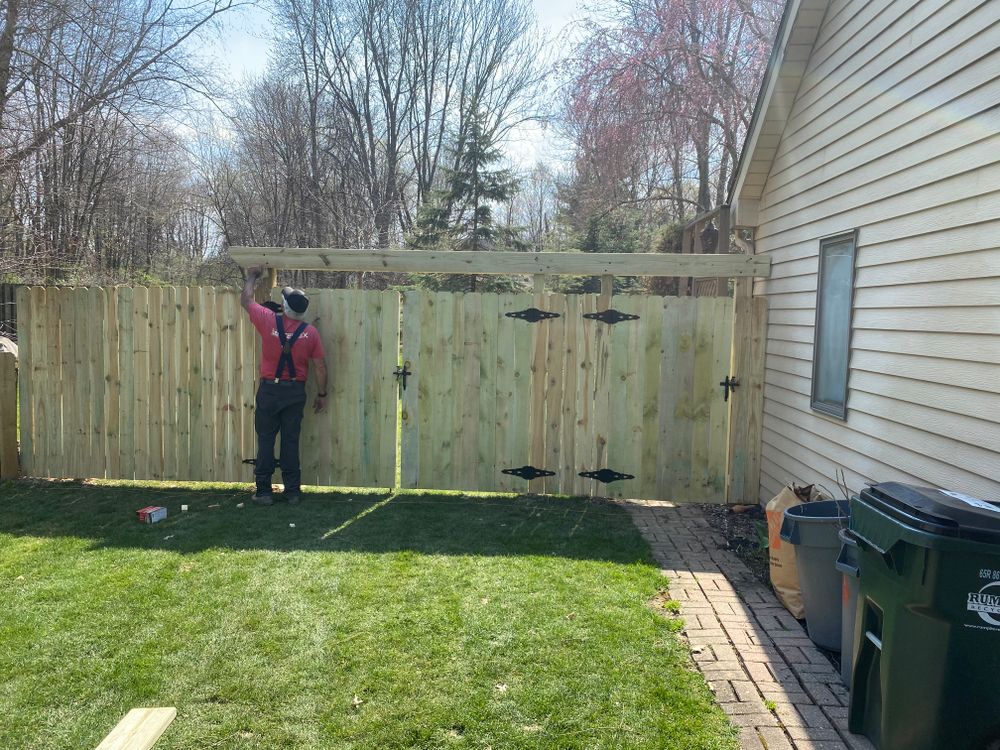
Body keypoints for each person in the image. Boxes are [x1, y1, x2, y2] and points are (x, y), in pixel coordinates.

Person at [240, 266, 328, 505]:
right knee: (290, 440)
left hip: (270, 390)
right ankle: (292, 492)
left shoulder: (268, 320)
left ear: (285, 307)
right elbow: (320, 367)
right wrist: (322, 394)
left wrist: (253, 276)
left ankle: (264, 492)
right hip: (294, 391)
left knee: (266, 440)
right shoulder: (310, 333)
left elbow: (246, 300)